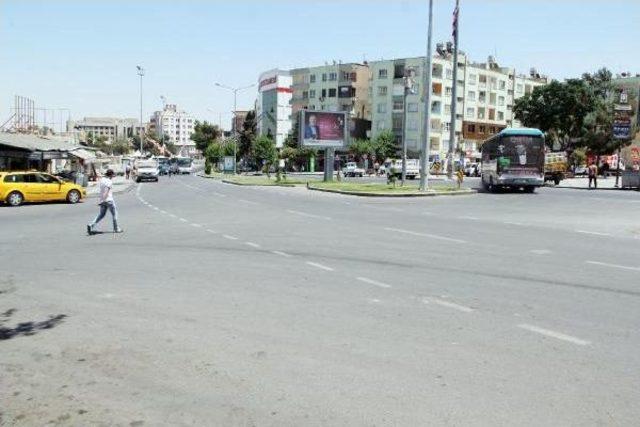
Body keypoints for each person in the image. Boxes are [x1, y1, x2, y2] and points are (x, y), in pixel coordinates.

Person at [87, 169, 122, 235]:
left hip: (103, 200)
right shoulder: (109, 182)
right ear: (111, 175)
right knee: (115, 214)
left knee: (101, 215)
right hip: (109, 200)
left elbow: (101, 190)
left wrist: (101, 201)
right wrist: (104, 199)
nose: (113, 177)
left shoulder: (102, 180)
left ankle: (91, 225)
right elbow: (106, 191)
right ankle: (116, 228)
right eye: (112, 175)